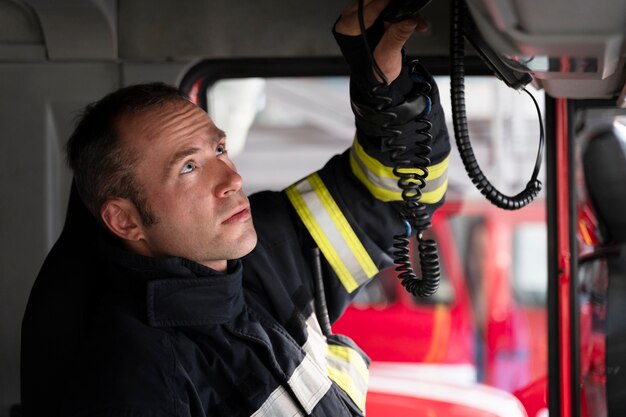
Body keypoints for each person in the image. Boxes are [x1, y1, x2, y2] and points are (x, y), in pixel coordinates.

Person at [22, 1, 450, 416]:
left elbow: (397, 195)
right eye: (188, 167)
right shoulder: (137, 382)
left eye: (220, 149)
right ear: (125, 220)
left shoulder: (262, 251)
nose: (232, 180)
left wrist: (386, 87)